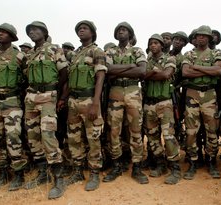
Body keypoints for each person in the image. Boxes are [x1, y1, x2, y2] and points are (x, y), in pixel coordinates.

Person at [24, 21, 68, 199]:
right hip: (31, 96)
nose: (32, 32)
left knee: (48, 134)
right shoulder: (31, 54)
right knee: (32, 135)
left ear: (44, 32)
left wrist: (56, 92)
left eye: (36, 30)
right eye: (30, 31)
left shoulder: (54, 49)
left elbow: (64, 73)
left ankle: (58, 178)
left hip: (48, 95)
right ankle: (43, 173)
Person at [103, 22, 148, 184]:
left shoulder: (137, 50)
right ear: (115, 35)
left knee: (136, 129)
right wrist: (130, 66)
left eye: (125, 30)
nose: (121, 32)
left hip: (133, 92)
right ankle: (117, 164)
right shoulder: (109, 51)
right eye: (119, 30)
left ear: (130, 34)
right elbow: (107, 70)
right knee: (114, 130)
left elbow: (142, 71)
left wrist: (117, 69)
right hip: (115, 92)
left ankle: (137, 166)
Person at [0, 23, 28, 191]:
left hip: (12, 101)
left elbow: (26, 79)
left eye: (4, 32)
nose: (0, 34)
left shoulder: (19, 56)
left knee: (13, 138)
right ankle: (3, 172)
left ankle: (19, 173)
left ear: (11, 37)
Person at [65, 20, 106, 191]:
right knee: (74, 138)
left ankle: (94, 172)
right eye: (79, 29)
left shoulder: (97, 51)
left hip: (89, 99)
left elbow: (101, 76)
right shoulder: (75, 54)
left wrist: (95, 103)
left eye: (85, 28)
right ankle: (77, 171)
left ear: (92, 32)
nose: (81, 30)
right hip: (73, 101)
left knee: (93, 138)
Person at [182, 25, 221, 180]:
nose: (201, 38)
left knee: (212, 130)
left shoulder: (216, 53)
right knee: (191, 131)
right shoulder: (189, 53)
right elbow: (185, 72)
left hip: (209, 94)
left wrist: (196, 67)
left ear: (209, 38)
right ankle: (193, 161)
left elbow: (219, 71)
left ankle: (211, 161)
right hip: (192, 93)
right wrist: (208, 69)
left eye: (204, 36)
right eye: (199, 35)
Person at [144, 34, 181, 184]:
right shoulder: (147, 61)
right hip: (149, 103)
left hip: (164, 103)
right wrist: (153, 72)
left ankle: (175, 168)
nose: (153, 45)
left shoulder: (170, 58)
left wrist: (151, 73)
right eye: (151, 43)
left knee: (168, 136)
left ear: (161, 45)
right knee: (152, 136)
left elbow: (167, 74)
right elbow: (142, 75)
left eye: (156, 43)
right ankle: (161, 164)